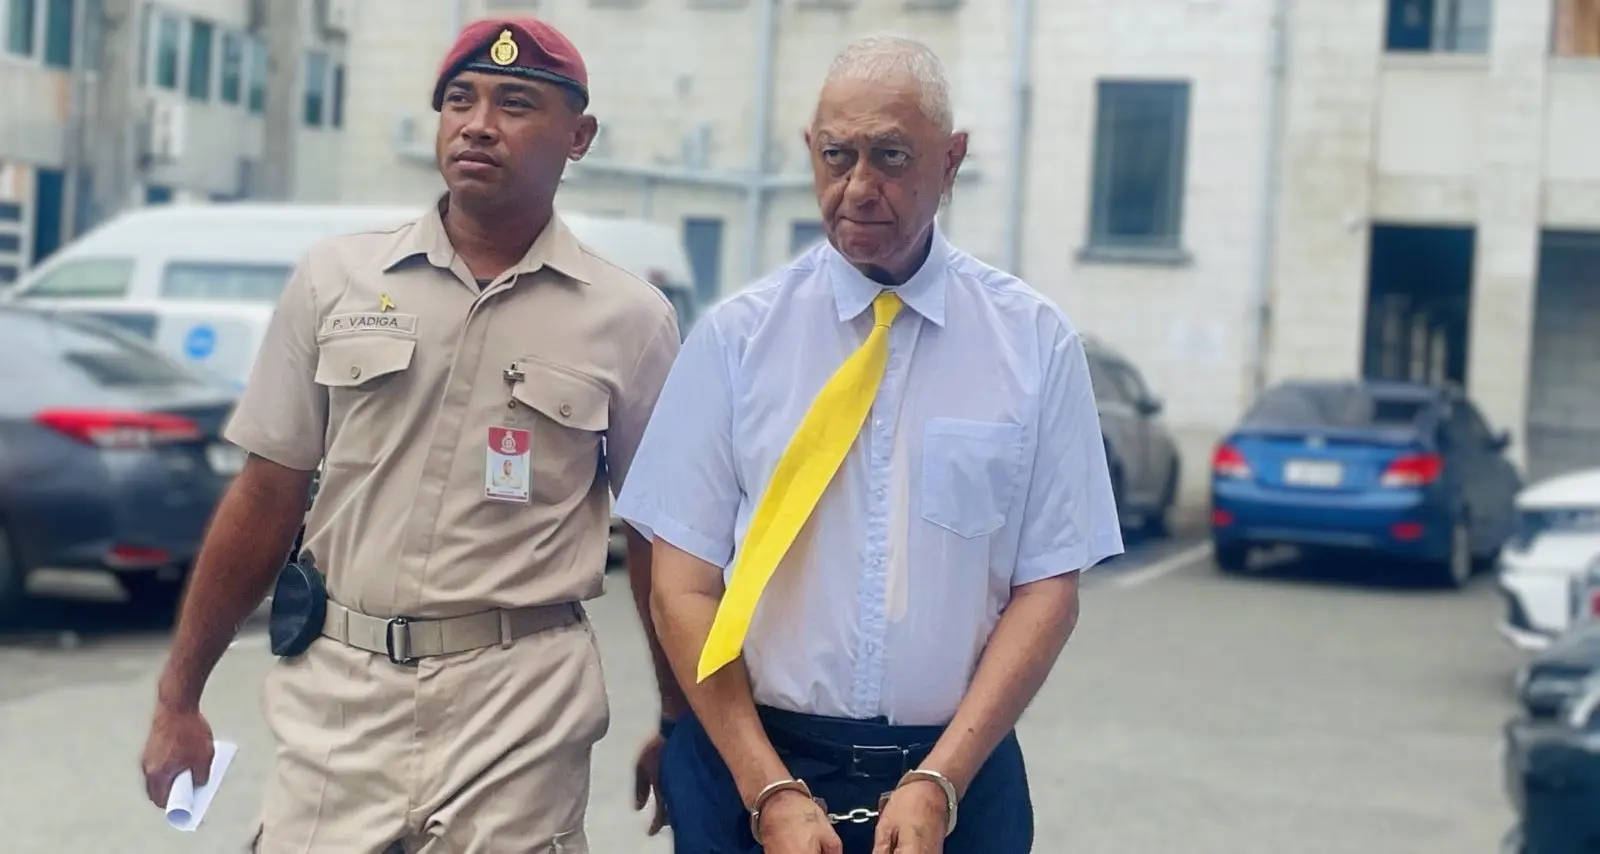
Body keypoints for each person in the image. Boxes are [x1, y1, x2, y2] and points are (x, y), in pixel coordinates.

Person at [138, 17, 688, 853]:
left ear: (578, 138)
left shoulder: (631, 321)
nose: (477, 123)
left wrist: (679, 719)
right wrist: (180, 696)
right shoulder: (337, 279)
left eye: (515, 103)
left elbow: (659, 537)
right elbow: (266, 494)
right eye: (459, 100)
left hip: (521, 698)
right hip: (340, 695)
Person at [614, 34, 1125, 854]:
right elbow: (683, 587)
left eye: (891, 156)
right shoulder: (739, 342)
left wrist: (942, 781)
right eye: (835, 154)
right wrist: (766, 789)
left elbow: (1047, 591)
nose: (858, 186)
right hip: (754, 761)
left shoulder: (1034, 344)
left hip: (955, 774)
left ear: (952, 160)